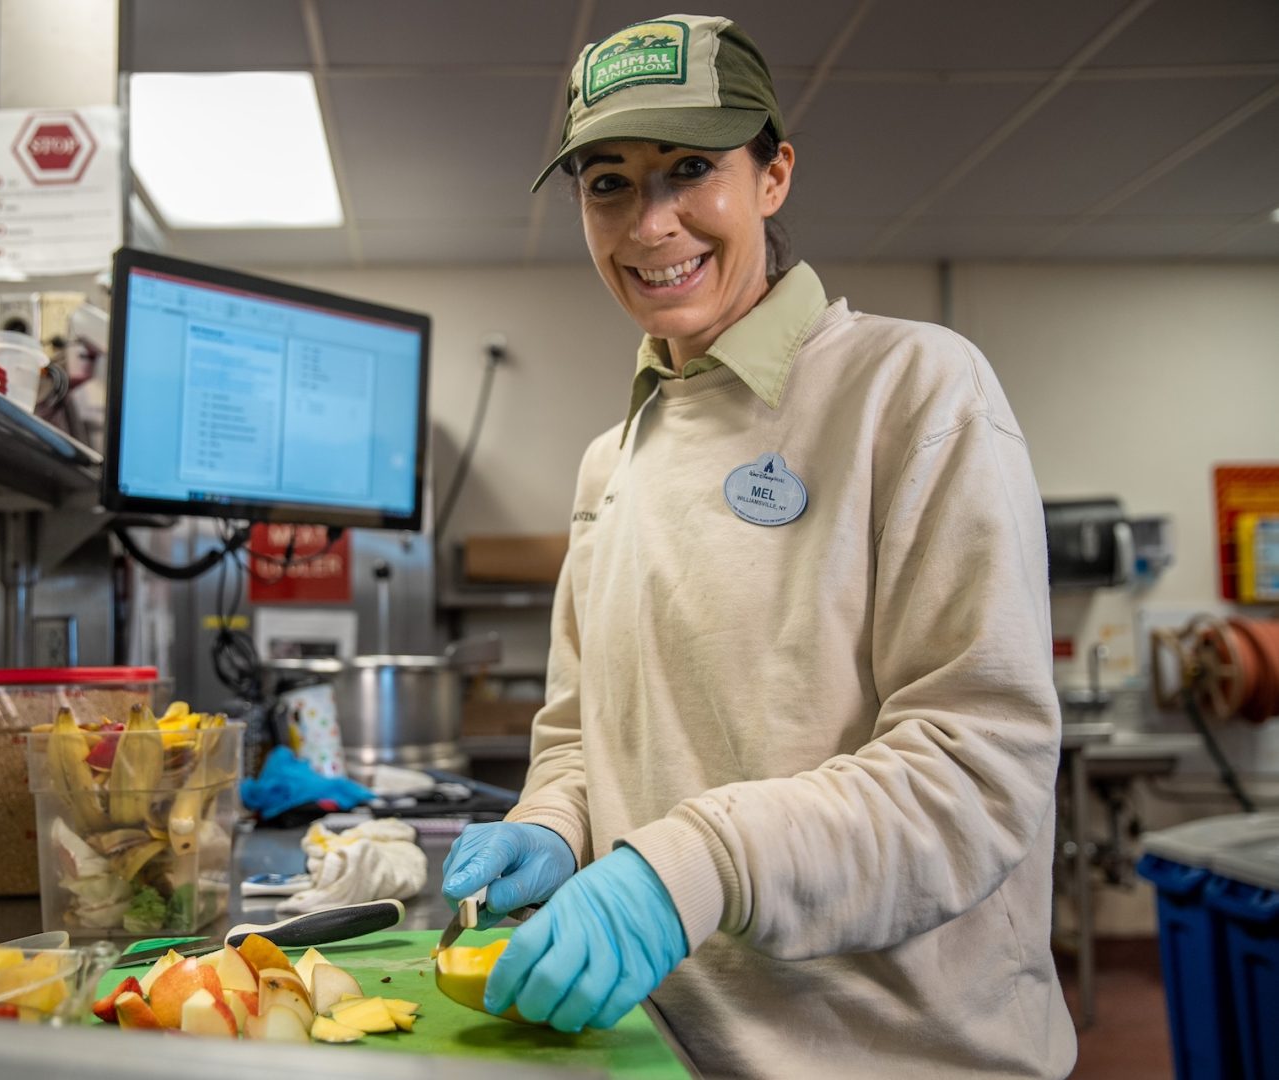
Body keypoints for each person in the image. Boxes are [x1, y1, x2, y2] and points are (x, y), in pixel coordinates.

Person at [441, 13, 1079, 1078]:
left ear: (774, 175)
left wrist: (687, 865)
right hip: (665, 1045)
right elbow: (578, 734)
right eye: (608, 183)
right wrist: (554, 822)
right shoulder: (615, 458)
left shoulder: (916, 391)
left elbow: (980, 775)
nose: (650, 225)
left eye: (691, 169)